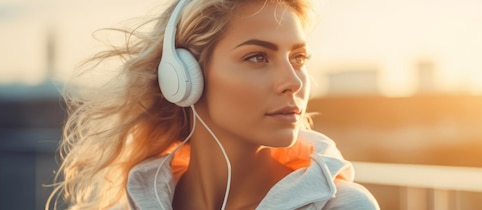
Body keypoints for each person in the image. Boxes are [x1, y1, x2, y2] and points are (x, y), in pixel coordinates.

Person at [48, 0, 379, 209]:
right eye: (258, 57)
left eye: (298, 57)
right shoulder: (133, 204)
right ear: (183, 78)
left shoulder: (343, 206)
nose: (293, 81)